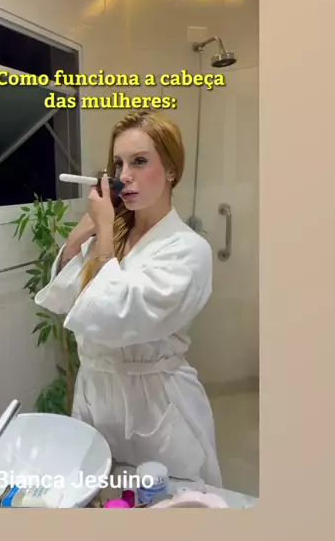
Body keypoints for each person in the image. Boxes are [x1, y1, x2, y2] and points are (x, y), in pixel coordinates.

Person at [34, 110, 222, 487]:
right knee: (98, 493)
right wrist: (77, 239)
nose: (124, 176)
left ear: (171, 170)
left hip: (154, 401)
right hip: (94, 392)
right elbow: (67, 298)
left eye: (139, 161)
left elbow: (117, 314)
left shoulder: (189, 249)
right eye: (118, 164)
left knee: (165, 501)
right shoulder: (113, 235)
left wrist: (103, 230)